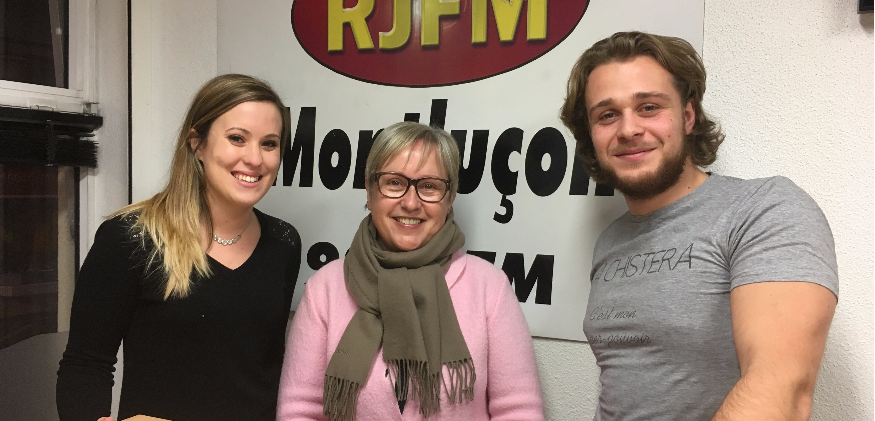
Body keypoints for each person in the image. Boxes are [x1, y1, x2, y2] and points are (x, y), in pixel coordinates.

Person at [559, 31, 839, 420]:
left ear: (688, 116)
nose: (628, 129)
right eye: (607, 115)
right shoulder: (611, 240)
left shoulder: (763, 209)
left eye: (649, 107)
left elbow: (781, 390)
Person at [56, 74, 302, 421]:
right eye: (237, 138)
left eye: (269, 144)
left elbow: (265, 369)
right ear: (197, 144)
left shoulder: (284, 242)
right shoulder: (130, 238)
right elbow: (85, 364)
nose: (255, 159)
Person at [276, 122, 544, 420]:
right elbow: (299, 410)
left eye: (429, 186)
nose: (411, 202)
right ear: (369, 191)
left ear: (450, 198)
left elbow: (518, 411)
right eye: (394, 182)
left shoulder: (490, 288)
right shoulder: (325, 288)